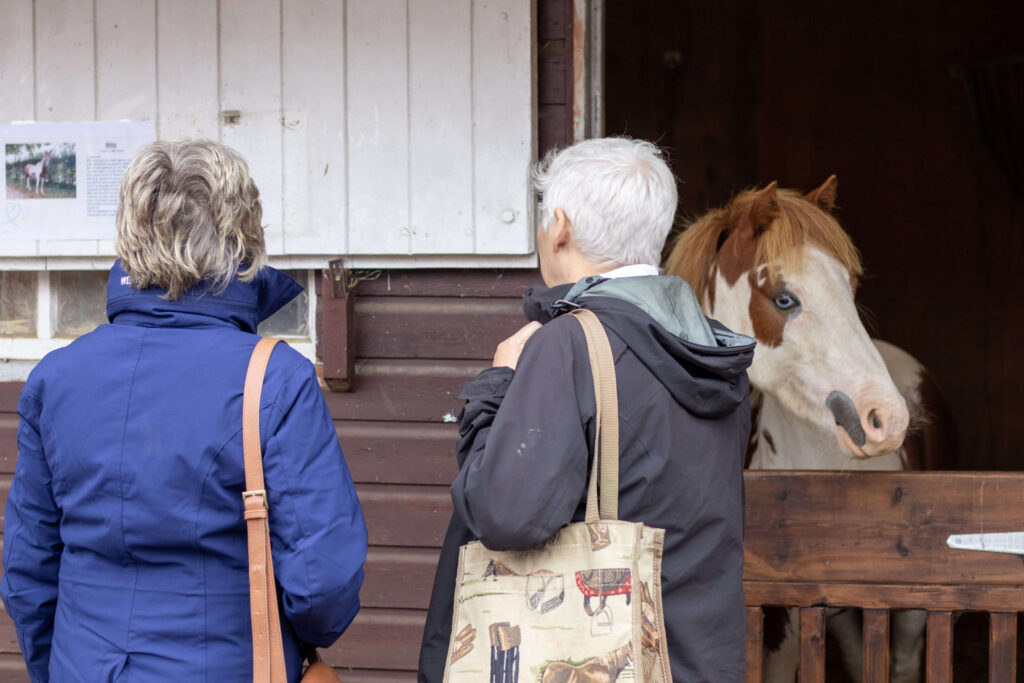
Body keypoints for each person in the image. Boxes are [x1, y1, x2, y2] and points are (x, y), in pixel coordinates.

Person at [1, 140, 367, 682]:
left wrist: (60, 666)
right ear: (243, 239)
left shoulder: (56, 378)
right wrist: (300, 646)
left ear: (129, 234)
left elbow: (28, 572)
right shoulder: (274, 377)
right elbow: (323, 582)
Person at [419, 137, 755, 682]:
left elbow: (506, 516)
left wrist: (497, 387)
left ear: (560, 228)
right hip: (697, 661)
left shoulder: (569, 343)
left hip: (597, 661)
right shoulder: (715, 350)